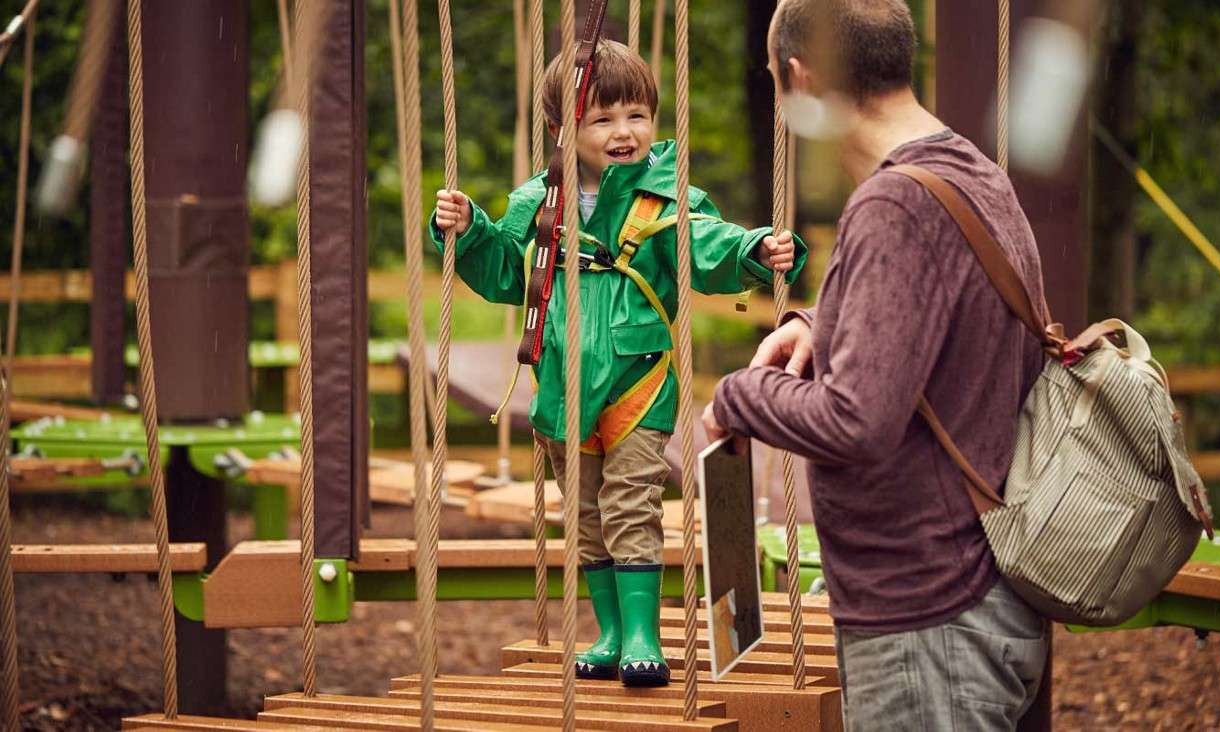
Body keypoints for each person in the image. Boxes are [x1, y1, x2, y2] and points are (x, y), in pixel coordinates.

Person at [702, 1, 1049, 728]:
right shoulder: (971, 174)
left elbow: (856, 420)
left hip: (929, 620)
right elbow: (947, 321)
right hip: (980, 600)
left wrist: (738, 397)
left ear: (799, 79)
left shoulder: (893, 205)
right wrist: (819, 326)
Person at [432, 39, 806, 687]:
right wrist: (467, 229)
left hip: (639, 378)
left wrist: (753, 249)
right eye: (602, 120)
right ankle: (609, 631)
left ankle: (641, 633)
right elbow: (500, 274)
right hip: (563, 385)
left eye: (636, 116)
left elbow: (709, 247)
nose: (623, 132)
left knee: (631, 502)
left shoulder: (666, 197)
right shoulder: (537, 204)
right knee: (584, 514)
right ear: (562, 130)